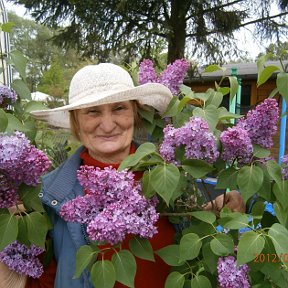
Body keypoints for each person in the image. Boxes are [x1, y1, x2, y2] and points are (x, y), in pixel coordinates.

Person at [0, 63, 245, 288]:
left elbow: (184, 237)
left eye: (119, 108)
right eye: (92, 112)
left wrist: (214, 209)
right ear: (76, 122)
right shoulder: (45, 196)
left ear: (135, 114)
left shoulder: (169, 174)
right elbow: (41, 279)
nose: (108, 125)